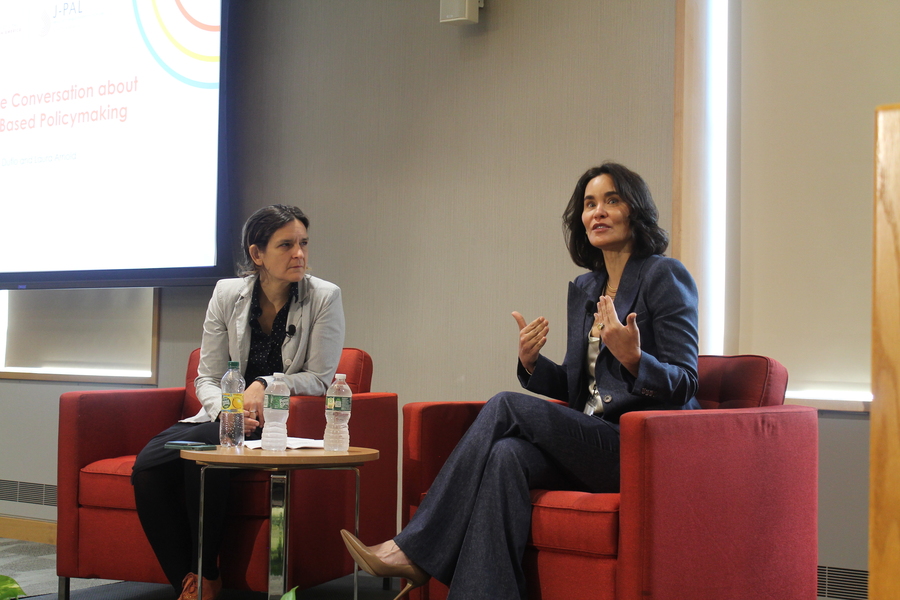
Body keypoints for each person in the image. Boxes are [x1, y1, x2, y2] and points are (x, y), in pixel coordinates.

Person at [340, 162, 700, 600]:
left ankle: (412, 549)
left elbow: (686, 382)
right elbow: (578, 389)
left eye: (612, 200)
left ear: (635, 211)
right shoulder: (586, 287)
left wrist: (635, 360)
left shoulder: (665, 275)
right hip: (590, 439)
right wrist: (532, 365)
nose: (598, 212)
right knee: (506, 455)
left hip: (635, 448)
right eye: (589, 204)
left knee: (505, 405)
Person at [132, 204, 345, 600]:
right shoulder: (227, 294)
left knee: (204, 458)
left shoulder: (324, 297)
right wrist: (226, 411)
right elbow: (207, 376)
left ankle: (207, 574)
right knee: (148, 466)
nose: (299, 254)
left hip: (277, 422)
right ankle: (190, 580)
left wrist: (265, 383)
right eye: (286, 245)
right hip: (223, 417)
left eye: (303, 243)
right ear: (257, 254)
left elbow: (319, 378)